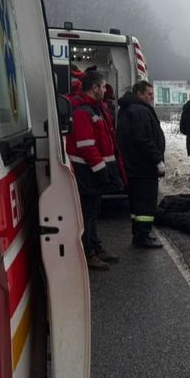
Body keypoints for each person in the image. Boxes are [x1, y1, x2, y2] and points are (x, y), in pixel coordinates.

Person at [66, 71, 123, 269]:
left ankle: (96, 247)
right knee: (87, 214)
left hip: (94, 172)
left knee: (93, 211)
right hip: (86, 172)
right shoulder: (83, 112)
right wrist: (100, 169)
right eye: (104, 86)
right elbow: (86, 146)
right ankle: (87, 252)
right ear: (95, 88)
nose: (106, 90)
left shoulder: (95, 109)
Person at [116, 80, 166, 249]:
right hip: (144, 167)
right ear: (139, 94)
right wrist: (157, 159)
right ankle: (143, 236)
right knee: (146, 203)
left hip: (134, 166)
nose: (152, 98)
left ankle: (139, 234)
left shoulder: (128, 109)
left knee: (137, 204)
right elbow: (144, 139)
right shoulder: (139, 111)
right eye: (149, 94)